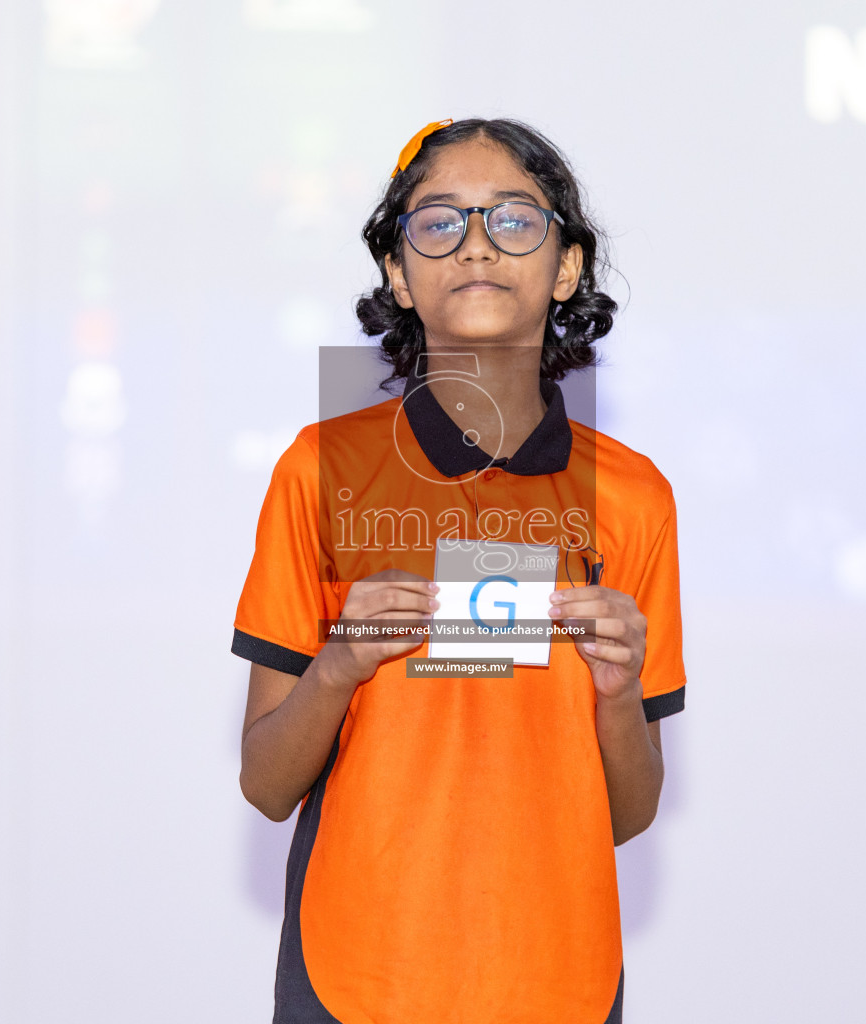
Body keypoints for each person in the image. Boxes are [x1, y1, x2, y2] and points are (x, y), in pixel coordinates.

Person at [233, 117, 686, 1023]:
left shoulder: (635, 497)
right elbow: (266, 782)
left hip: (558, 982)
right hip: (358, 979)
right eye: (439, 223)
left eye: (514, 220)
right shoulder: (320, 470)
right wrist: (339, 666)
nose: (476, 246)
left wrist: (617, 689)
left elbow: (630, 813)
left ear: (567, 266)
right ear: (399, 275)